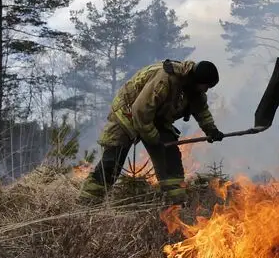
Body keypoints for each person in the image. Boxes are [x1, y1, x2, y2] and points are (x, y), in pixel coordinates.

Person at [79, 59, 225, 203]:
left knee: (170, 160)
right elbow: (140, 111)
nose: (205, 90)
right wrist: (154, 138)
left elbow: (202, 111)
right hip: (128, 112)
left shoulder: (194, 90)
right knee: (113, 161)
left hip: (156, 117)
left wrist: (212, 130)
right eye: (205, 86)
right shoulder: (165, 79)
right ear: (195, 79)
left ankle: (175, 205)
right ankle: (88, 201)